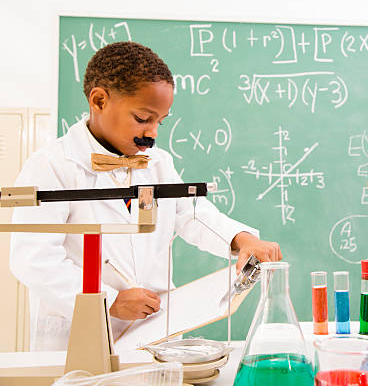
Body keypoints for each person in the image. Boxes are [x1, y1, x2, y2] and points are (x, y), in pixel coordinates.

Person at [9, 41, 282, 351]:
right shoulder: (53, 165)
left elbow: (190, 214)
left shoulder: (158, 163)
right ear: (99, 100)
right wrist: (109, 301)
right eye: (142, 119)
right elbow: (32, 259)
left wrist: (242, 239)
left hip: (155, 332)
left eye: (159, 122)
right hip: (79, 337)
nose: (152, 133)